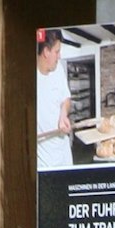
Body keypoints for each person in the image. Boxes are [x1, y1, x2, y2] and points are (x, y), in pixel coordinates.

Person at [37, 29, 73, 169]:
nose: (59, 56)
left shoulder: (58, 70)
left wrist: (63, 114)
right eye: (57, 52)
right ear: (46, 52)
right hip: (45, 161)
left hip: (64, 152)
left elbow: (66, 98)